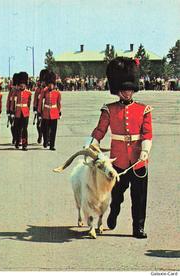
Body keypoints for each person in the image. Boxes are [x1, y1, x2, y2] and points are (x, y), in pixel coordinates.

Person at [88, 57, 152, 239]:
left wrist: (145, 151)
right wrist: (93, 144)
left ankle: (138, 228)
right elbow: (100, 130)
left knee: (139, 198)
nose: (127, 93)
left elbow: (147, 134)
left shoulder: (144, 109)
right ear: (117, 91)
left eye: (130, 89)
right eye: (124, 90)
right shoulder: (109, 110)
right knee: (116, 194)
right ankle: (114, 211)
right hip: (117, 161)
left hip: (139, 161)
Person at [38, 70, 62, 151]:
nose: (51, 86)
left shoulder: (57, 93)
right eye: (50, 84)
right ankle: (45, 141)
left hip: (54, 113)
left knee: (53, 131)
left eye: (52, 84)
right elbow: (41, 101)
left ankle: (52, 145)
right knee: (45, 129)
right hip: (46, 113)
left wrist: (59, 112)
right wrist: (39, 111)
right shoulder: (44, 91)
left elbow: (58, 103)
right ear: (48, 84)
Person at [11, 72, 31, 150]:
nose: (22, 85)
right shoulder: (15, 92)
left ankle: (24, 144)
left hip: (25, 113)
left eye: (23, 84)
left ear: (25, 85)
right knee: (17, 128)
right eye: (21, 84)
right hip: (17, 112)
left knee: (24, 129)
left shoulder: (28, 93)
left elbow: (28, 103)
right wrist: (12, 112)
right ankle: (17, 141)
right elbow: (13, 102)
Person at [33, 69, 48, 144]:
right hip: (40, 109)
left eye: (44, 81)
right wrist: (35, 108)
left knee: (48, 125)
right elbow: (35, 99)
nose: (43, 83)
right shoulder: (38, 90)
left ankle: (47, 138)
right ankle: (40, 135)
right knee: (39, 124)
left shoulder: (48, 90)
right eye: (42, 81)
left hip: (47, 110)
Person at [6, 73, 18, 145]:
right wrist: (8, 111)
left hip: (20, 112)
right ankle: (14, 137)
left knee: (21, 128)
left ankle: (20, 140)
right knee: (13, 126)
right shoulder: (11, 92)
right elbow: (8, 102)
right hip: (12, 111)